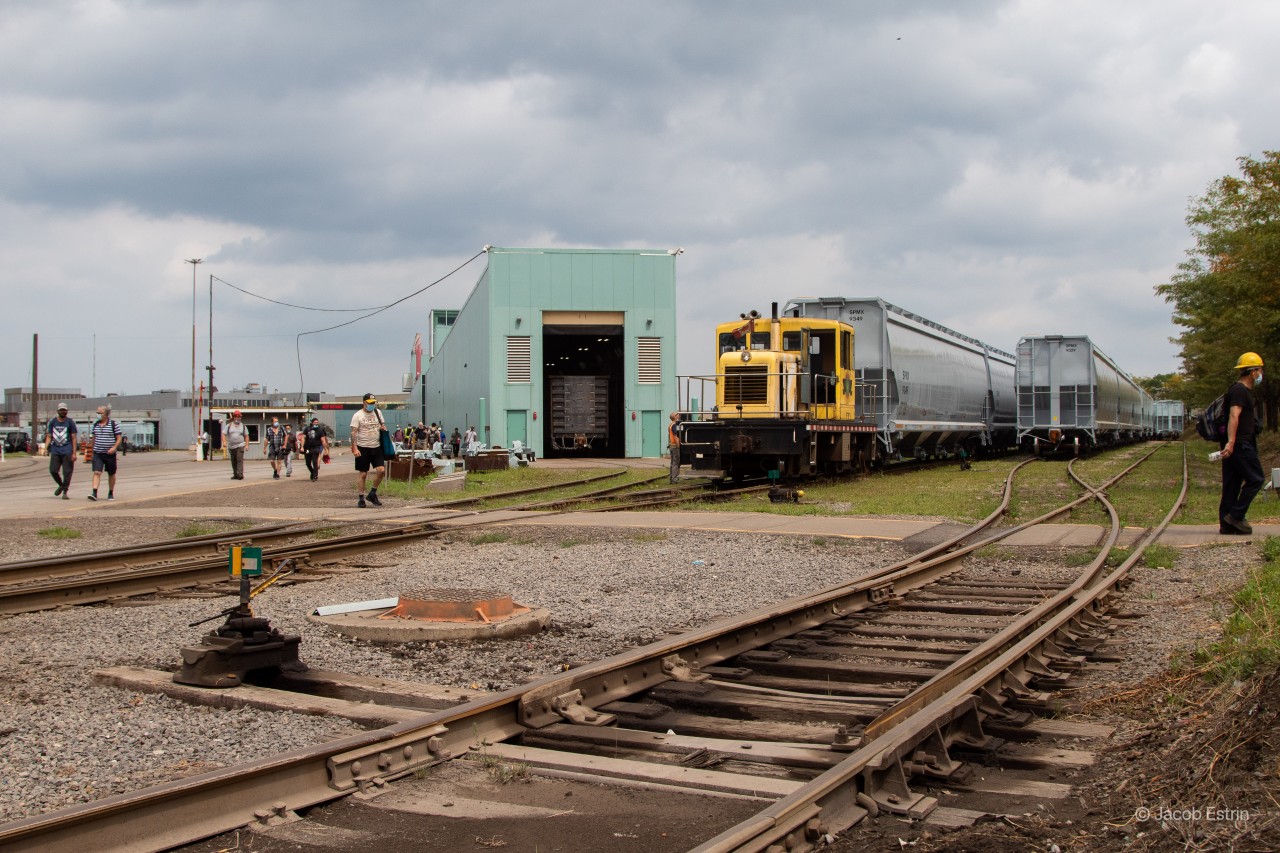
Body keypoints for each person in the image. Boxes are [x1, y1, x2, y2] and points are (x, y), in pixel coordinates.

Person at [1219, 352, 1266, 535]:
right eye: (1260, 370)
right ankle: (1236, 516)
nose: (1261, 373)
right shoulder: (1239, 390)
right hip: (1240, 445)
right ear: (1252, 372)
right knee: (1256, 479)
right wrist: (1231, 442)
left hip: (1236, 444)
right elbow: (1234, 416)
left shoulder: (1239, 390)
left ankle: (1226, 524)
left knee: (1232, 483)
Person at [350, 392, 387, 508]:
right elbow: (353, 432)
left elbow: (382, 426)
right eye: (370, 403)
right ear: (364, 403)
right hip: (362, 447)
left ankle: (372, 493)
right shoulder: (357, 415)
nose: (372, 405)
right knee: (363, 474)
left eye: (374, 403)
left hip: (376, 446)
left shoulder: (377, 412)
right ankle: (361, 498)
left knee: (381, 470)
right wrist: (354, 448)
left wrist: (382, 428)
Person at [87, 404, 122, 501]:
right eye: (97, 413)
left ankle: (110, 492)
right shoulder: (96, 425)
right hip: (98, 453)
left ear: (106, 414)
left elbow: (119, 438)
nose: (98, 415)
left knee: (111, 473)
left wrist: (114, 447)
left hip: (109, 454)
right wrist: (92, 451)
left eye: (100, 413)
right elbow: (93, 438)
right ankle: (94, 492)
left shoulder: (113, 425)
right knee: (97, 472)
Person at [44, 403, 78, 500]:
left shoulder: (70, 422)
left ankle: (65, 491)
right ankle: (61, 485)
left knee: (67, 471)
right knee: (53, 470)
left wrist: (74, 453)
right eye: (61, 410)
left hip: (67, 449)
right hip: (56, 449)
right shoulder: (53, 422)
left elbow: (74, 438)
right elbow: (49, 436)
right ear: (58, 411)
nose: (63, 412)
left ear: (67, 411)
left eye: (64, 410)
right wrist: (45, 448)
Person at [302, 417, 329, 481]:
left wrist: (325, 449)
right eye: (315, 422)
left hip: (316, 447)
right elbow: (303, 438)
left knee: (315, 462)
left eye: (317, 422)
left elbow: (323, 440)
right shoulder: (307, 429)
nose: (316, 423)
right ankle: (312, 472)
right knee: (308, 463)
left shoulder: (320, 430)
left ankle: (315, 476)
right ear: (312, 423)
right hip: (308, 448)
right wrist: (302, 447)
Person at [224, 412, 249, 479]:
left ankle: (240, 474)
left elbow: (246, 436)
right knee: (233, 460)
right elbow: (223, 434)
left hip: (240, 445)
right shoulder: (229, 426)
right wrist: (224, 442)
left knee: (239, 460)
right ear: (234, 417)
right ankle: (235, 474)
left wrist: (247, 445)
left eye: (240, 417)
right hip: (231, 446)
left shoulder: (243, 426)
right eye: (237, 417)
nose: (239, 418)